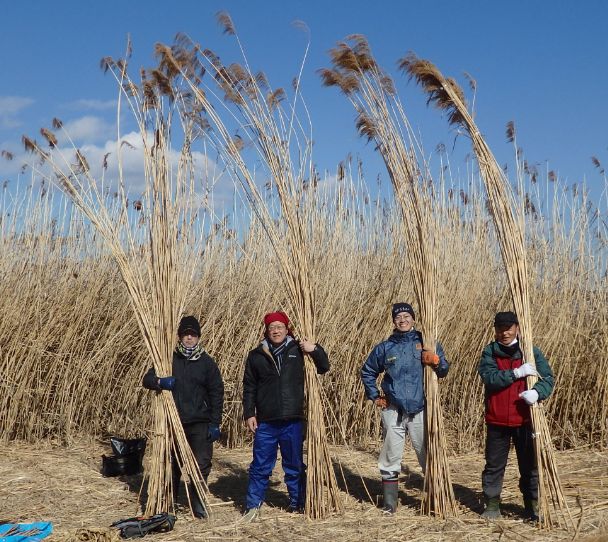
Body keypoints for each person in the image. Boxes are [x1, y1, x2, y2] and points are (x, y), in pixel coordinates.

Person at [361, 302, 449, 515]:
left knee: (426, 452)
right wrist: (375, 396)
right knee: (391, 454)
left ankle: (435, 499)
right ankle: (390, 503)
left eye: (406, 316)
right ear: (393, 321)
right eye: (398, 317)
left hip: (420, 408)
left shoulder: (425, 342)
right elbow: (368, 371)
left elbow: (444, 369)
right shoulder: (385, 347)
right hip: (393, 409)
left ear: (413, 319)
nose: (402, 320)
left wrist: (436, 361)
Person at [241, 311, 330, 521]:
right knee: (260, 465)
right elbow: (249, 387)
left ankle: (298, 502)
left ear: (286, 329)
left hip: (293, 419)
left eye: (280, 327)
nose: (276, 331)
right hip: (266, 421)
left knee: (294, 465)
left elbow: (324, 367)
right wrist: (249, 413)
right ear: (267, 330)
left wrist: (314, 349)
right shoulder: (256, 355)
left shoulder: (298, 350)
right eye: (272, 327)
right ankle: (253, 506)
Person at [142, 315, 224, 519]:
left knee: (202, 463)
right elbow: (147, 379)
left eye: (193, 334)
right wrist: (160, 382)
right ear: (179, 336)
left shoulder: (206, 362)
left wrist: (215, 423)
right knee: (172, 462)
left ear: (198, 337)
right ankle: (170, 502)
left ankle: (197, 501)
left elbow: (217, 392)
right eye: (186, 334)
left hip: (199, 421)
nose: (189, 338)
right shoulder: (168, 359)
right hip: (173, 419)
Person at [478, 311, 554, 521]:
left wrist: (538, 392)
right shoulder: (490, 352)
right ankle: (492, 505)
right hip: (497, 419)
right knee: (493, 465)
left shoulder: (530, 352)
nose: (505, 332)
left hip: (525, 420)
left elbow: (548, 378)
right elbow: (489, 377)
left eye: (509, 327)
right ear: (495, 330)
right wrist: (516, 373)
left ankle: (532, 505)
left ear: (517, 328)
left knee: (530, 466)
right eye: (501, 328)